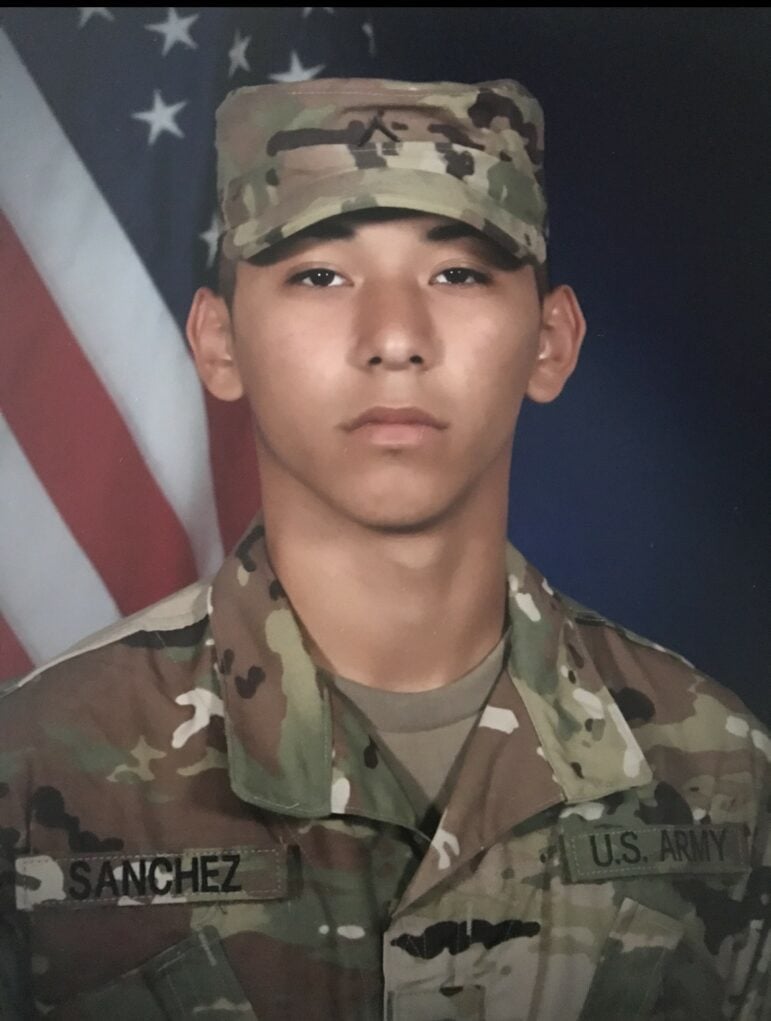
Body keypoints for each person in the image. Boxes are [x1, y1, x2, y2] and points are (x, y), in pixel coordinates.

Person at [0, 77, 768, 1021]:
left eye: (459, 274)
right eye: (319, 275)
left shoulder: (717, 772)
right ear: (218, 343)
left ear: (550, 342)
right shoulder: (33, 771)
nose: (395, 338)